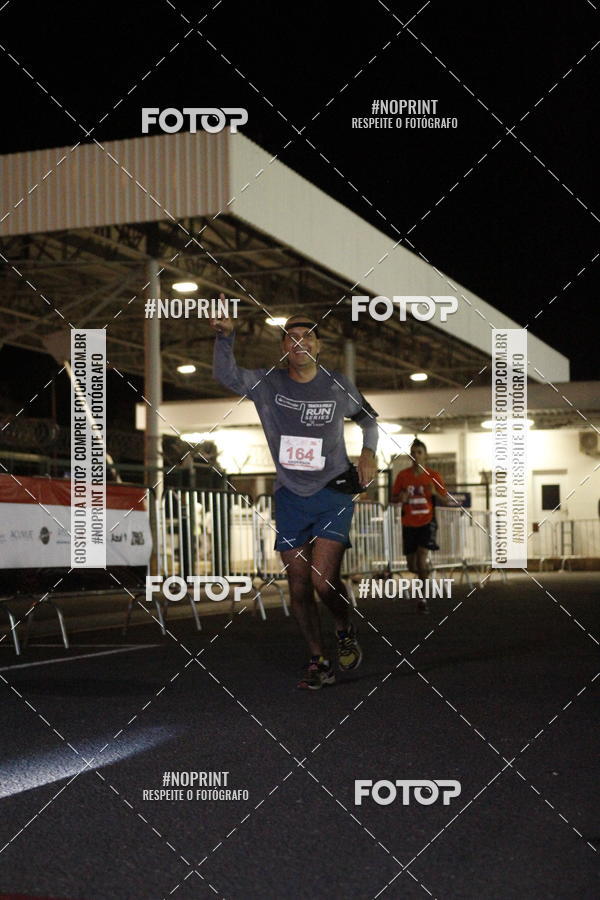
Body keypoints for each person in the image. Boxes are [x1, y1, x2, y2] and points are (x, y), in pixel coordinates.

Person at [210, 312, 378, 689]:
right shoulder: (267, 384)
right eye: (292, 337)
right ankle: (318, 659)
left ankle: (343, 624)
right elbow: (226, 376)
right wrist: (225, 338)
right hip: (290, 496)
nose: (299, 342)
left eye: (307, 336)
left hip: (333, 490)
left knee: (322, 580)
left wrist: (369, 452)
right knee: (298, 586)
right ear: (284, 347)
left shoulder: (337, 385)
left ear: (317, 346)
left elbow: (368, 419)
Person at [391, 438, 447, 614]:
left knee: (422, 558)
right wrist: (401, 498)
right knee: (412, 566)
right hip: (408, 523)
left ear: (425, 455)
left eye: (419, 452)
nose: (415, 456)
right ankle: (425, 573)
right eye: (413, 453)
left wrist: (434, 492)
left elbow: (446, 498)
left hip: (427, 522)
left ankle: (422, 598)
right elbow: (392, 498)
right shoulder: (403, 476)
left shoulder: (433, 475)